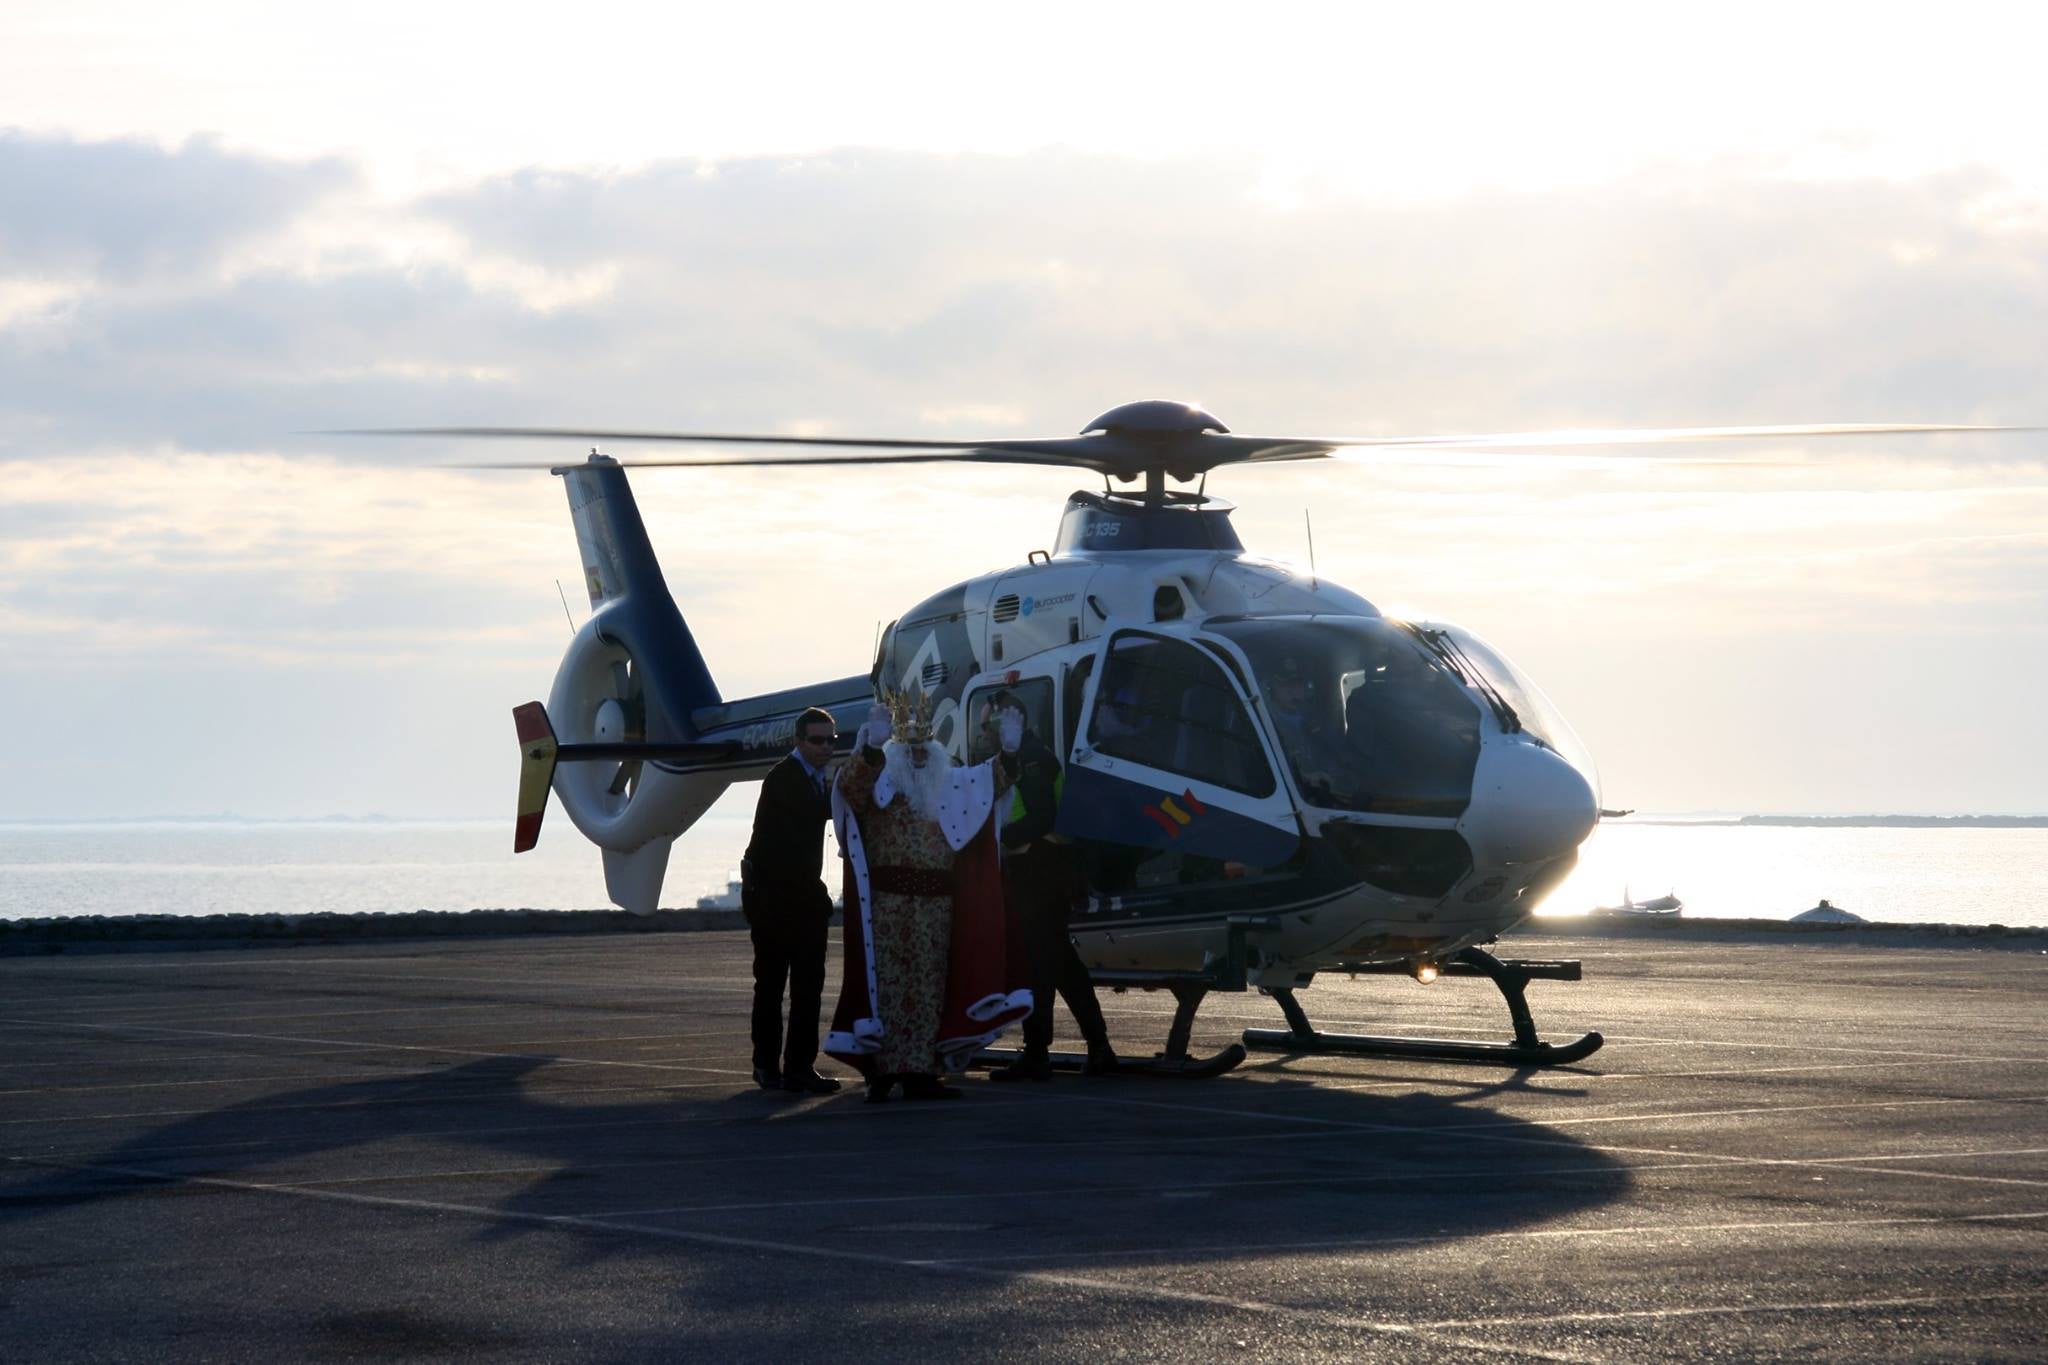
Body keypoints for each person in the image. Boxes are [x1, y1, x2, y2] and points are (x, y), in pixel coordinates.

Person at [827, 689, 1028, 1103]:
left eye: (924, 750)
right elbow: (850, 787)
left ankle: (920, 1071)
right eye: (911, 750)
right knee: (887, 989)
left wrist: (1009, 753)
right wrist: (870, 747)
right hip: (886, 907)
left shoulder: (949, 787)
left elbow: (987, 783)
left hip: (937, 908)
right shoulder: (880, 786)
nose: (918, 757)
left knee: (929, 987)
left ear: (936, 752)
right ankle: (882, 1071)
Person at [988, 691, 1117, 1082]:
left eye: (987, 725)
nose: (984, 733)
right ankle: (1099, 1047)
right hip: (1041, 871)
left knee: (1039, 965)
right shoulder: (1025, 757)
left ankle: (1037, 1052)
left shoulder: (1032, 760)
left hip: (1038, 870)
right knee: (1062, 965)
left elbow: (1043, 817)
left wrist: (999, 838)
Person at [740, 706, 843, 1095]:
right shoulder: (785, 778)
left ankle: (799, 1066)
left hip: (802, 900)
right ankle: (767, 1065)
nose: (825, 747)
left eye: (831, 740)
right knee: (770, 987)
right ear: (799, 741)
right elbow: (818, 812)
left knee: (807, 988)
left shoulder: (815, 777)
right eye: (817, 740)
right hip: (774, 900)